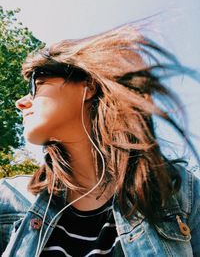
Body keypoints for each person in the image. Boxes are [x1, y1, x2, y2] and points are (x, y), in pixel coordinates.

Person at [0, 22, 200, 257]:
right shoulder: (8, 200)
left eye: (37, 83)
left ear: (89, 85)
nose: (21, 102)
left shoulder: (179, 194)